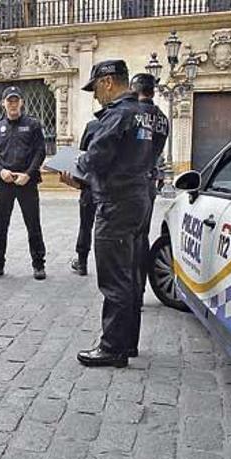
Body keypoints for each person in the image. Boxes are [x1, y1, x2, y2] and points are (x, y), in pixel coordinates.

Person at [61, 59, 168, 367]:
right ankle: (127, 343)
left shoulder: (118, 115)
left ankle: (112, 348)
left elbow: (94, 159)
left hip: (116, 203)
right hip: (140, 197)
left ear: (107, 82)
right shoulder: (155, 117)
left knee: (114, 279)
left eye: (95, 88)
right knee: (132, 273)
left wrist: (72, 170)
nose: (95, 96)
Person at [0, 85, 47, 280]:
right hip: (4, 181)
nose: (12, 104)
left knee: (33, 224)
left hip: (26, 181)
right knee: (0, 225)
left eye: (15, 100)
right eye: (9, 100)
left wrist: (29, 173)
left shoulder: (33, 124)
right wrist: (0, 170)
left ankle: (38, 264)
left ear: (21, 102)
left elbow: (40, 151)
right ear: (3, 103)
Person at [129, 73, 169, 308]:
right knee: (142, 237)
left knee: (129, 240)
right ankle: (140, 288)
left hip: (132, 183)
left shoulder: (134, 115)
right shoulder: (163, 118)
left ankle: (131, 291)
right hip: (150, 183)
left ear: (135, 89)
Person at [70, 119, 101, 276]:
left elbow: (81, 156)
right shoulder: (123, 122)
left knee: (85, 225)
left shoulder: (92, 126)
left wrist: (78, 181)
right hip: (114, 187)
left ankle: (82, 263)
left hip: (90, 184)